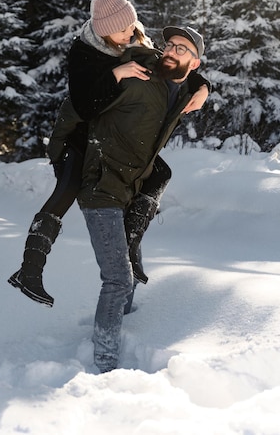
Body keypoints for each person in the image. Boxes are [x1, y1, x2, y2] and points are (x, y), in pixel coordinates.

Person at [8, 0, 210, 308]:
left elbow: (169, 64)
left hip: (104, 135)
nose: (131, 32)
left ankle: (131, 246)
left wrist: (201, 85)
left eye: (132, 25)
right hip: (78, 137)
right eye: (123, 29)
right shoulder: (85, 53)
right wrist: (117, 72)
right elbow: (83, 105)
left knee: (159, 171)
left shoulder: (133, 35)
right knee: (67, 190)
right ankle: (29, 269)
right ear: (104, 32)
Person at [77, 22, 208, 373]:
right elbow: (92, 74)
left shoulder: (182, 91)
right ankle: (104, 364)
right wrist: (116, 69)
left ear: (194, 63)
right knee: (118, 277)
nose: (170, 51)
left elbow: (190, 80)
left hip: (131, 186)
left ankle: (125, 322)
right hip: (99, 184)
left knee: (130, 267)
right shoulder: (139, 67)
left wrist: (204, 86)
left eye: (182, 49)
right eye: (169, 45)